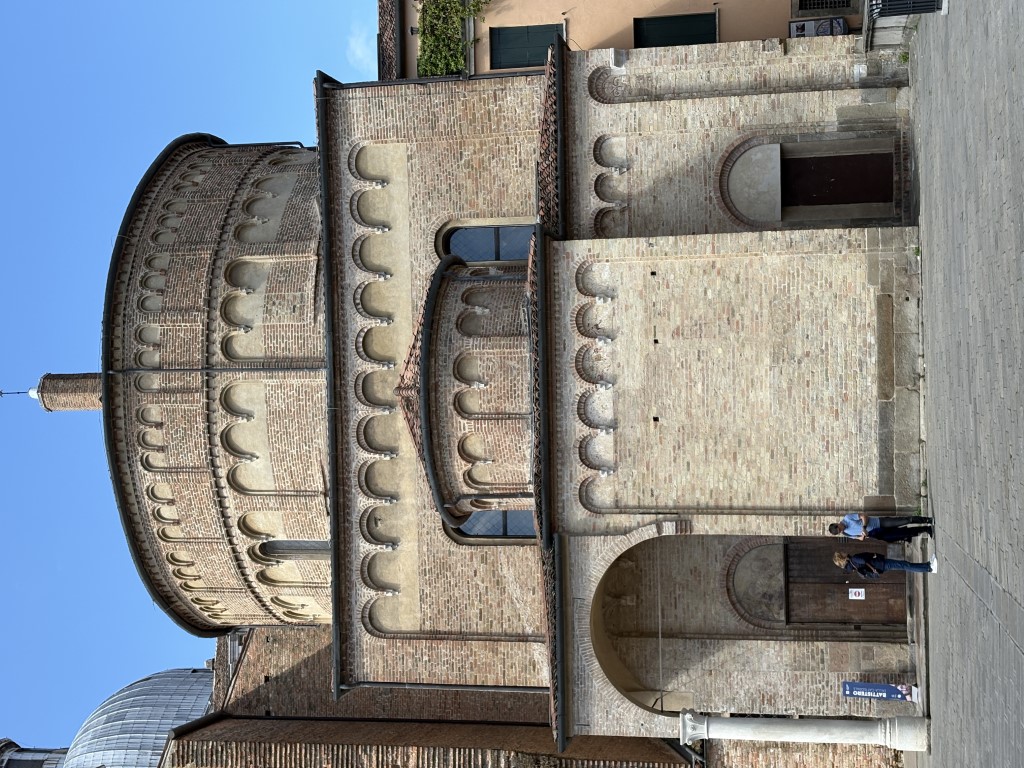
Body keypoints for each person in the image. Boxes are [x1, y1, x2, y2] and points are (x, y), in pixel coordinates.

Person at [828, 513, 932, 542]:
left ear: (837, 524)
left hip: (880, 522)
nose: (842, 530)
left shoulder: (848, 518)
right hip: (876, 534)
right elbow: (858, 538)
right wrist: (863, 536)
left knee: (903, 520)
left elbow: (864, 516)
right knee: (903, 533)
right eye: (839, 532)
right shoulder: (846, 533)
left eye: (840, 529)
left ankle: (926, 520)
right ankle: (926, 529)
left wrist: (864, 527)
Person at [832, 551, 937, 579]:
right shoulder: (853, 559)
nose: (844, 552)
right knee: (905, 565)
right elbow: (864, 561)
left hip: (879, 566)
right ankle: (929, 568)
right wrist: (873, 556)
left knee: (904, 565)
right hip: (880, 563)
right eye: (842, 553)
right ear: (842, 557)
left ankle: (927, 564)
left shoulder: (851, 566)